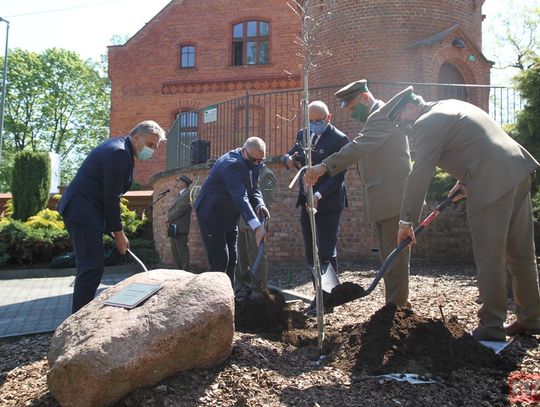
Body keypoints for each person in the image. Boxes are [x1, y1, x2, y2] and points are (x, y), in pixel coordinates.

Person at [385, 86, 540, 341]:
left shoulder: (426, 122)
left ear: (411, 108)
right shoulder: (451, 105)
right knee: (521, 252)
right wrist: (466, 180)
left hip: (491, 181)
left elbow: (420, 173)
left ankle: (491, 326)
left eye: (400, 119)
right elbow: (477, 145)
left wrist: (406, 221)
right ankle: (532, 318)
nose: (403, 126)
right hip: (517, 169)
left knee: (490, 254)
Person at [305, 80, 412, 308]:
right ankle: (397, 309)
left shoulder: (383, 115)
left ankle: (398, 311)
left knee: (395, 261)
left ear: (364, 97)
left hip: (393, 198)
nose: (352, 114)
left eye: (353, 108)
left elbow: (359, 147)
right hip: (384, 199)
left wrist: (323, 166)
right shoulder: (376, 117)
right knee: (389, 259)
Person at [57, 120, 166, 313]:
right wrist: (118, 233)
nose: (152, 150)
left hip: (86, 211)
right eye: (150, 144)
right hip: (81, 210)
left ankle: (79, 316)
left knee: (91, 264)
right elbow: (110, 197)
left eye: (155, 147)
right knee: (91, 266)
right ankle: (78, 320)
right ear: (136, 136)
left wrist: (111, 229)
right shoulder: (119, 153)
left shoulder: (122, 150)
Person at [284, 100, 349, 314]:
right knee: (311, 252)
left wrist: (319, 195)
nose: (313, 125)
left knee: (325, 252)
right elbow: (293, 153)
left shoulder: (339, 139)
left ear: (328, 118)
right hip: (306, 201)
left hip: (328, 203)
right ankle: (319, 296)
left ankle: (328, 300)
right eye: (310, 121)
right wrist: (288, 159)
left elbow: (338, 176)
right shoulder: (304, 134)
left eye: (318, 121)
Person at [194, 137, 269, 284]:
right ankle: (213, 299)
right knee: (220, 260)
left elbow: (254, 188)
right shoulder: (231, 164)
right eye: (254, 160)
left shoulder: (255, 162)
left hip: (229, 216)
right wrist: (257, 226)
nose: (257, 164)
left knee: (232, 260)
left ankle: (229, 299)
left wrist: (260, 204)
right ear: (244, 151)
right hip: (211, 215)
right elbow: (240, 196)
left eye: (261, 160)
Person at [235, 164, 276, 299]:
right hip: (243, 221)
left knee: (256, 256)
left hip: (256, 223)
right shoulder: (249, 174)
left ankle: (258, 288)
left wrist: (260, 223)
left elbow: (266, 201)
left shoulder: (266, 174)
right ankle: (245, 286)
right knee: (242, 257)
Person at [167, 175, 193, 271]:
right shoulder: (179, 195)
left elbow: (181, 209)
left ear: (183, 183)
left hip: (181, 227)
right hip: (174, 226)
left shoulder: (187, 194)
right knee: (175, 250)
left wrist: (169, 218)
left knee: (182, 250)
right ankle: (178, 270)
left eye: (178, 181)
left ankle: (185, 270)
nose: (177, 183)